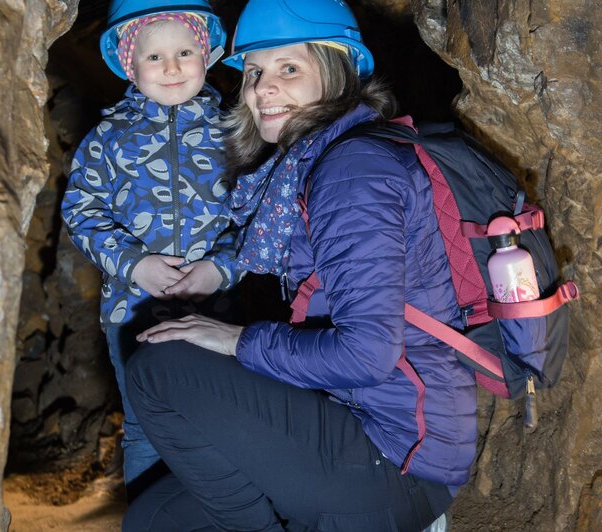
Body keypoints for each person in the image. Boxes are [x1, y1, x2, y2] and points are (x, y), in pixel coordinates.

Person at [123, 0, 478, 529]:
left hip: (399, 458)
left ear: (337, 72)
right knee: (156, 520)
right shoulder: (322, 161)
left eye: (289, 68)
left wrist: (234, 339)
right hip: (358, 421)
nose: (262, 88)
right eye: (254, 71)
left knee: (159, 368)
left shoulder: (351, 173)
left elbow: (367, 354)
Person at [60, 0, 234, 495]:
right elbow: (81, 210)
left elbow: (256, 220)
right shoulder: (108, 138)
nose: (172, 67)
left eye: (184, 52)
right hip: (131, 309)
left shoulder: (234, 134)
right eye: (154, 57)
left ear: (208, 55)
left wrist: (220, 270)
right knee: (144, 428)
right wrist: (134, 264)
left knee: (218, 422)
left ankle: (212, 517)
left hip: (214, 309)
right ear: (129, 64)